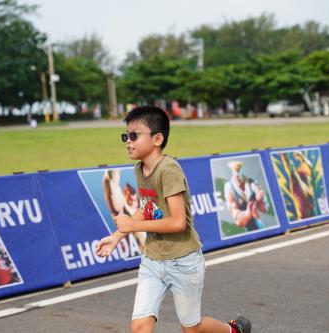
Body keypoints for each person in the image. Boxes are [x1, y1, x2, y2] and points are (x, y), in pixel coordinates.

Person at [96, 106, 252, 333]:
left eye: (134, 136)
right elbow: (148, 208)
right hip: (152, 260)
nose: (128, 141)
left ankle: (233, 331)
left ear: (157, 138)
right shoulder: (140, 169)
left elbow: (178, 222)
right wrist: (117, 236)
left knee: (192, 328)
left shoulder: (169, 170)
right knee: (139, 327)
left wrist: (133, 225)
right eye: (125, 136)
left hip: (183, 261)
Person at [224, 161, 268, 231]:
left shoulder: (251, 182)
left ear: (242, 170)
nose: (237, 174)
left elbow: (264, 209)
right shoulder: (229, 187)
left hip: (258, 223)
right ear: (232, 172)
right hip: (245, 228)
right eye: (235, 171)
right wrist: (248, 213)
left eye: (238, 171)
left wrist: (259, 197)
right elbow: (236, 217)